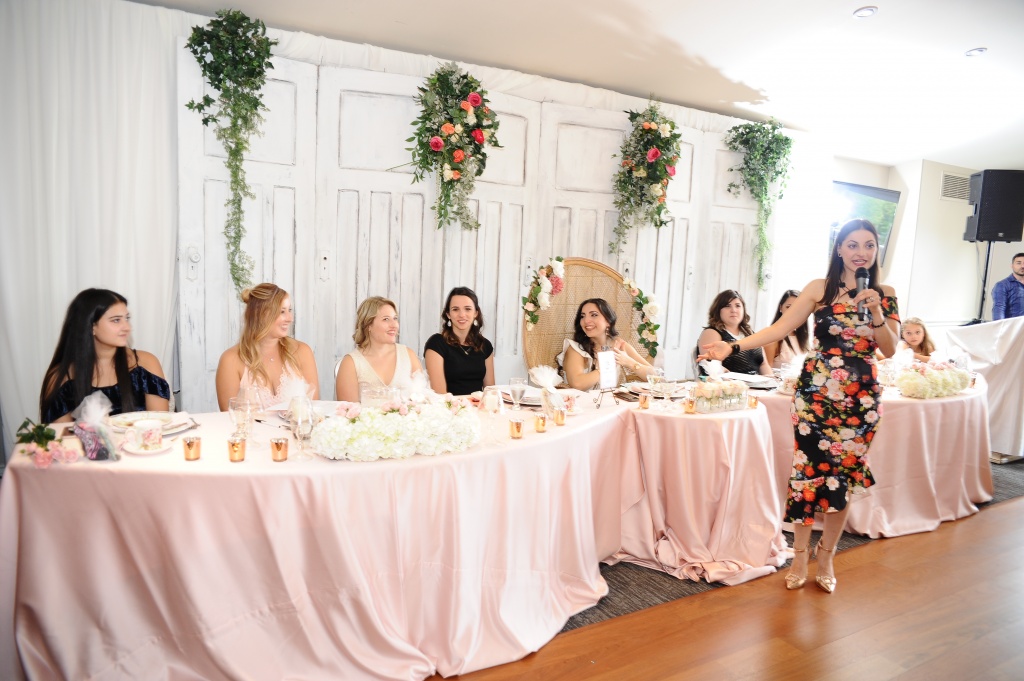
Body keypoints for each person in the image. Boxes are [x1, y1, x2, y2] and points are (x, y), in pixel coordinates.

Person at [700, 218, 899, 594]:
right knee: (808, 474)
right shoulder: (819, 289)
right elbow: (779, 328)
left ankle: (827, 555)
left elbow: (889, 348)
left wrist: (876, 312)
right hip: (816, 396)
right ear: (839, 249)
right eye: (853, 245)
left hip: (861, 399)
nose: (861, 252)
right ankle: (800, 556)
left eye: (869, 245)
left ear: (876, 251)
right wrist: (732, 345)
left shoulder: (884, 293)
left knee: (843, 478)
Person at [39, 288, 170, 423]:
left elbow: (161, 426)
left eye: (127, 318)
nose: (127, 327)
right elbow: (62, 435)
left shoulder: (146, 364)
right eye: (116, 320)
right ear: (91, 326)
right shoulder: (60, 379)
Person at [215, 283, 320, 411]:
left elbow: (314, 412)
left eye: (289, 310)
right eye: (282, 312)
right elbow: (229, 417)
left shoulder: (302, 352)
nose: (290, 318)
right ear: (260, 315)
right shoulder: (230, 360)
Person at [336, 296, 422, 402]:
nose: (394, 325)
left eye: (395, 318)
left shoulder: (408, 355)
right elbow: (347, 409)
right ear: (368, 325)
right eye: (386, 319)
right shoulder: (351, 363)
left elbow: (423, 401)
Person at [558, 298, 653, 390]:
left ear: (608, 321)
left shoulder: (619, 345)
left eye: (594, 315)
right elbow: (577, 384)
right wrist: (606, 367)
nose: (586, 321)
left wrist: (629, 363)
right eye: (583, 316)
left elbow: (655, 377)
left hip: (612, 400)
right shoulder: (576, 349)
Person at [424, 287, 495, 395]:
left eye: (468, 309)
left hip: (479, 405)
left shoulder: (485, 345)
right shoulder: (436, 344)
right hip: (448, 404)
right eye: (455, 309)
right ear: (448, 314)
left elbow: (490, 392)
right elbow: (440, 396)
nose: (462, 314)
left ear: (476, 313)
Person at [696, 290, 773, 376]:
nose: (733, 310)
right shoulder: (711, 333)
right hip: (729, 383)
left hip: (759, 383)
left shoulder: (750, 334)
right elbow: (712, 368)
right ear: (718, 310)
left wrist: (770, 380)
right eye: (727, 306)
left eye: (738, 306)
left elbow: (764, 364)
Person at [764, 289, 811, 369]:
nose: (793, 312)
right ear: (780, 308)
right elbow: (766, 372)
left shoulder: (802, 337)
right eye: (788, 307)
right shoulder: (772, 337)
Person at [991, 252, 1024, 320]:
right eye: (1018, 263)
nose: (1022, 266)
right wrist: (1000, 326)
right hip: (1014, 326)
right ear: (1012, 266)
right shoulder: (1002, 285)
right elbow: (999, 309)